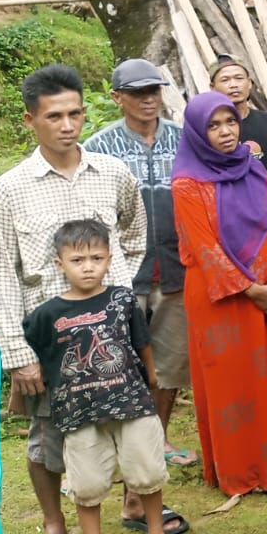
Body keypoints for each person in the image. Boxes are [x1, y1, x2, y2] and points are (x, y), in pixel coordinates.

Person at [0, 63, 153, 534]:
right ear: (29, 120)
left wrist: (120, 282)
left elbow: (133, 231)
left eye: (76, 113)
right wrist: (17, 352)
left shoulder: (114, 173)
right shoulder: (9, 189)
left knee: (129, 419)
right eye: (54, 116)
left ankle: (136, 506)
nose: (67, 125)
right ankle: (55, 527)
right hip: (48, 336)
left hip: (112, 327)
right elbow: (3, 271)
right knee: (46, 434)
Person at [172, 93, 267, 495]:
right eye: (214, 125)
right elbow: (202, 245)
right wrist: (250, 289)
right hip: (220, 296)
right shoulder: (187, 182)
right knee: (234, 381)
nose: (226, 132)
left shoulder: (252, 166)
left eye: (230, 122)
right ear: (197, 132)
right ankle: (246, 470)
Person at [24, 219, 179, 534]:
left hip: (132, 403)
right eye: (78, 260)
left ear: (110, 259)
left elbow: (142, 343)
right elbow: (38, 356)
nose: (88, 266)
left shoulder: (123, 300)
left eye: (96, 257)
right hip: (78, 413)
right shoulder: (46, 314)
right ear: (60, 265)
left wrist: (152, 377)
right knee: (87, 484)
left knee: (147, 473)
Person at [84, 58, 192, 466]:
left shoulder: (185, 140)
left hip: (176, 269)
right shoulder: (98, 146)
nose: (148, 99)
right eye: (137, 92)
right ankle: (117, 448)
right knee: (115, 363)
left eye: (154, 90)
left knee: (167, 364)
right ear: (117, 98)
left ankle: (158, 441)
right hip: (121, 273)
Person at [209, 56, 267, 187]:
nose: (233, 85)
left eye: (239, 78)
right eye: (225, 80)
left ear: (249, 83)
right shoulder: (207, 128)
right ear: (213, 87)